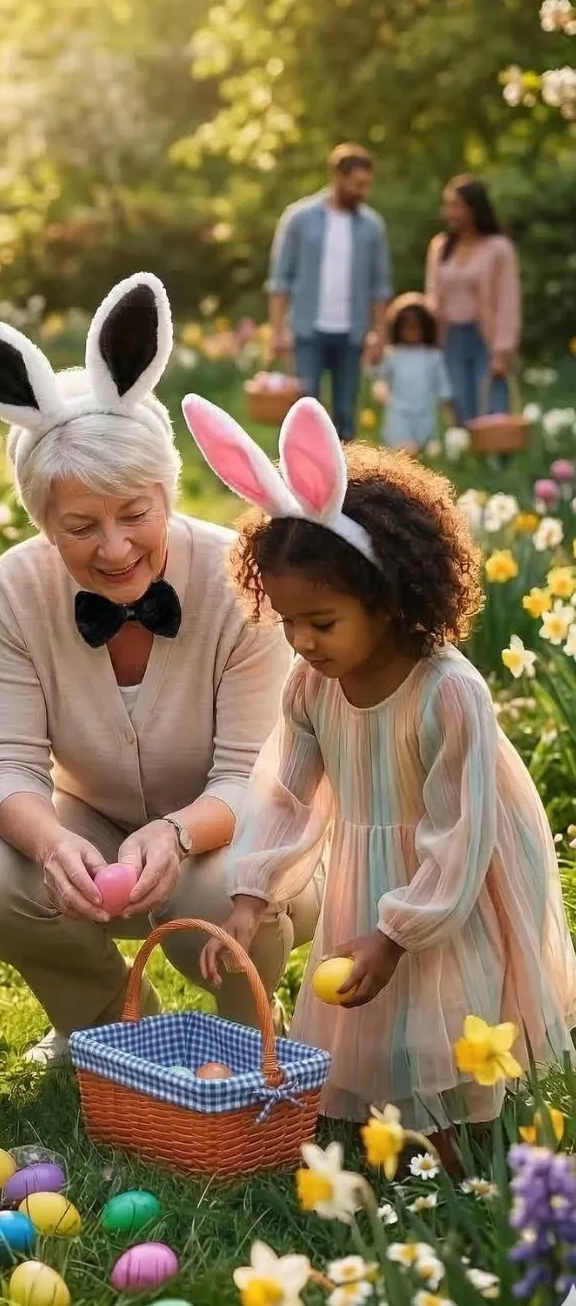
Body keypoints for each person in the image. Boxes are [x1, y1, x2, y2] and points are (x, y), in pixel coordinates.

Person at [0, 277, 319, 1066]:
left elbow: (255, 774)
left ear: (167, 492)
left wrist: (177, 837)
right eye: (80, 526)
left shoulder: (238, 577)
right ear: (43, 523)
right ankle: (106, 1027)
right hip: (98, 821)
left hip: (241, 834)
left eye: (135, 514)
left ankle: (250, 1044)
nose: (113, 549)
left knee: (216, 888)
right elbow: (7, 762)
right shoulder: (16, 584)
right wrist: (47, 843)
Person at [185, 394, 576, 1143]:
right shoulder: (311, 686)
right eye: (287, 620)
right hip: (369, 866)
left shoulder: (448, 694)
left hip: (454, 879)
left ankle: (454, 1143)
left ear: (390, 600)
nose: (300, 641)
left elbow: (458, 829)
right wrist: (250, 895)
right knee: (371, 1004)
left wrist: (399, 931)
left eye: (321, 622)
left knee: (447, 1000)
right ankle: (377, 1121)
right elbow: (287, 795)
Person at [266, 144, 393, 440]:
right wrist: (277, 331)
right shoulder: (299, 219)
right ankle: (302, 480)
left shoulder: (372, 227)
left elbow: (380, 286)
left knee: (346, 414)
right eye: (358, 184)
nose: (364, 192)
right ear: (337, 176)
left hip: (352, 333)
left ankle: (347, 482)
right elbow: (280, 280)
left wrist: (380, 334)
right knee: (304, 412)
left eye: (367, 185)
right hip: (307, 331)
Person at [424, 175, 521, 424]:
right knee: (458, 407)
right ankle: (465, 461)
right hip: (451, 338)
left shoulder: (498, 247)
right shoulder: (441, 246)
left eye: (456, 205)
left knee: (492, 409)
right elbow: (433, 294)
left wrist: (503, 350)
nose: (450, 212)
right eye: (448, 205)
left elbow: (508, 301)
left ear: (474, 208)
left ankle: (497, 461)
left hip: (484, 337)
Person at [373, 295, 454, 454]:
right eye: (406, 326)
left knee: (424, 451)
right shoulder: (393, 355)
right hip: (399, 412)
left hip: (425, 412)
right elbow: (378, 376)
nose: (411, 331)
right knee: (403, 451)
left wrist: (449, 415)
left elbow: (443, 386)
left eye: (416, 326)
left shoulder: (433, 356)